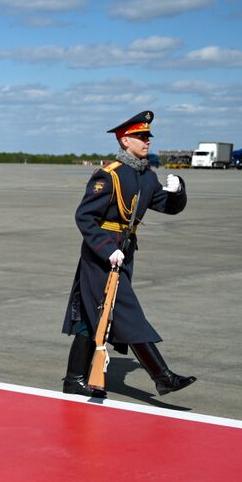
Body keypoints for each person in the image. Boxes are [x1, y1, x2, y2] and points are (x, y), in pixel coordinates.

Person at [62, 111, 191, 397]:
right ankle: (162, 376)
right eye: (141, 137)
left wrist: (178, 191)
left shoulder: (146, 177)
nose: (147, 142)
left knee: (92, 314)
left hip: (125, 251)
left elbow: (168, 207)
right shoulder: (108, 176)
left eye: (148, 137)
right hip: (102, 255)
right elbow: (84, 217)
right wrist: (107, 250)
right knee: (127, 312)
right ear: (125, 140)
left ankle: (74, 379)